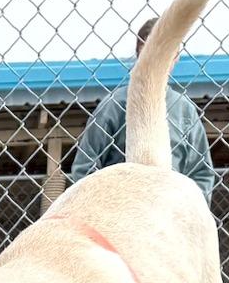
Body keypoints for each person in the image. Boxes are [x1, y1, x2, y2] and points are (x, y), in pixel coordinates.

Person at [69, 17, 216, 204]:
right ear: (139, 52)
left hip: (169, 217)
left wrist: (189, 215)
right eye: (150, 52)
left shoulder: (185, 110)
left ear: (177, 55)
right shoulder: (114, 106)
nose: (157, 59)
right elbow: (85, 167)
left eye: (166, 51)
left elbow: (201, 173)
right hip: (120, 215)